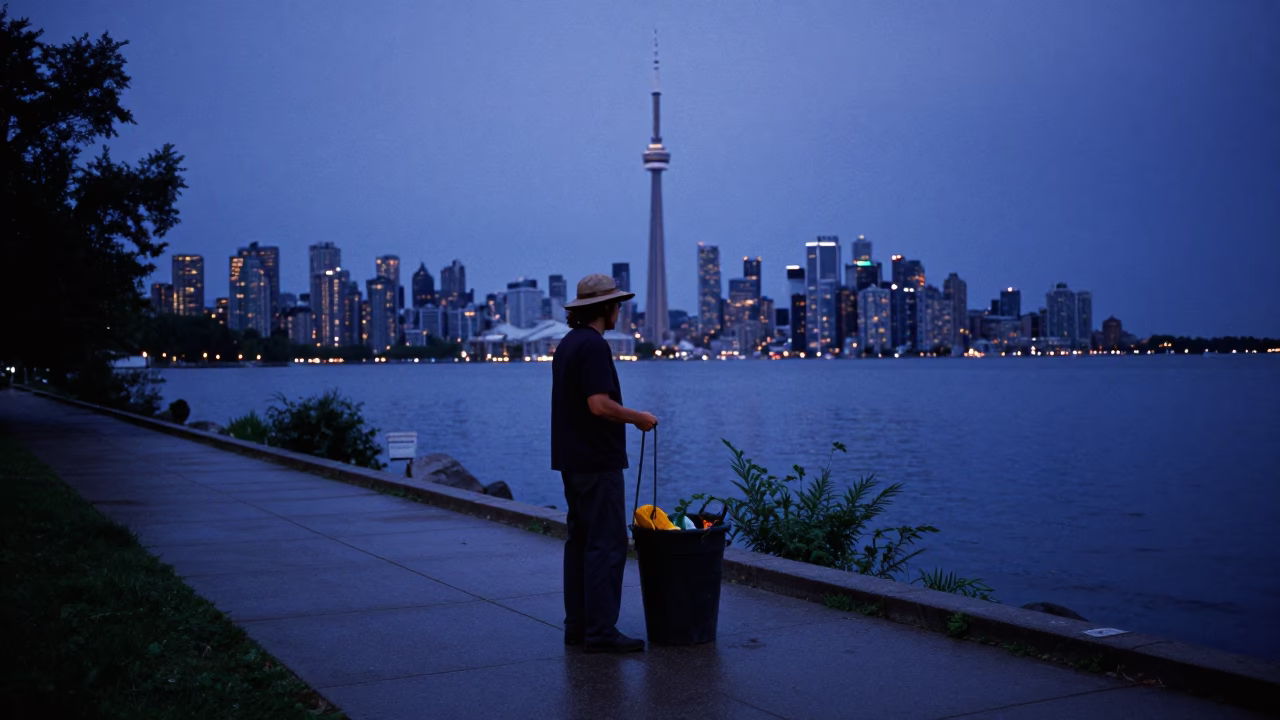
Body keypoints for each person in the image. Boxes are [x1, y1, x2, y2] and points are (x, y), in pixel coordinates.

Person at [552, 273, 658, 654]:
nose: (620, 310)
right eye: (617, 304)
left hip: (571, 460)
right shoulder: (594, 347)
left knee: (579, 542)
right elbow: (598, 405)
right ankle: (600, 631)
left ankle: (577, 626)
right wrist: (639, 417)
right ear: (605, 308)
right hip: (597, 461)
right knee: (607, 545)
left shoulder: (567, 344)